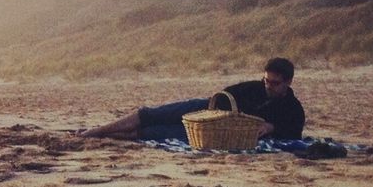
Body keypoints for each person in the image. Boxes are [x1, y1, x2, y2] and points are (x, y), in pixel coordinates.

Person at [79, 57, 305, 143]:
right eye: (266, 80)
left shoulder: (293, 109)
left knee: (153, 133)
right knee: (150, 114)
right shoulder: (253, 87)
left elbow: (294, 134)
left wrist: (272, 126)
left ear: (288, 82)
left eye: (274, 83)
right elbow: (223, 94)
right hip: (205, 108)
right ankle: (95, 132)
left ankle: (105, 135)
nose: (268, 85)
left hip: (216, 132)